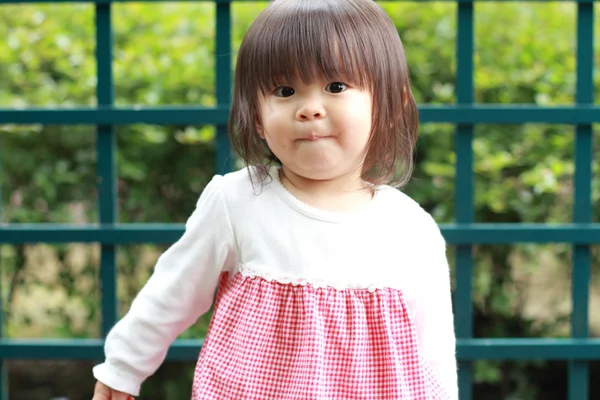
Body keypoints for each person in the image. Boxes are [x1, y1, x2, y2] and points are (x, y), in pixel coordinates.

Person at [91, 0, 458, 398]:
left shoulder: (410, 228)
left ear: (389, 105)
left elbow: (433, 354)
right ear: (257, 117)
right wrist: (122, 369)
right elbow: (172, 292)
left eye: (336, 87)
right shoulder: (238, 202)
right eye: (285, 91)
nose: (310, 109)